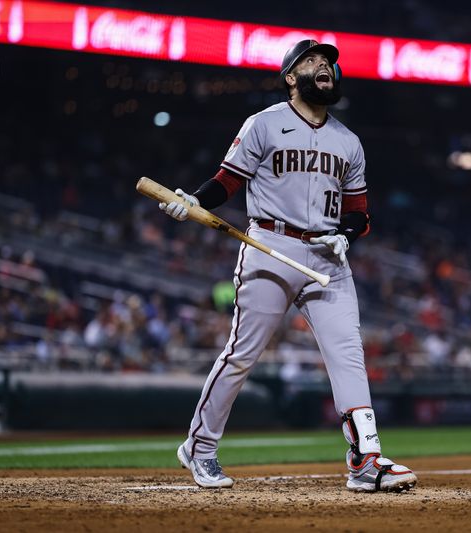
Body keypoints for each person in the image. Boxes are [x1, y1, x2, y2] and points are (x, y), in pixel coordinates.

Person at [159, 40, 417, 492]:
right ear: (290, 77)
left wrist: (347, 235)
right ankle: (199, 448)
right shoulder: (264, 123)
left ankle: (364, 460)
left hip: (328, 258)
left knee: (349, 357)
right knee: (243, 354)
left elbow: (359, 211)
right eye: (313, 61)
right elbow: (228, 181)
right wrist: (193, 201)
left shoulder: (348, 141)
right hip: (269, 244)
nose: (325, 67)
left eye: (329, 64)